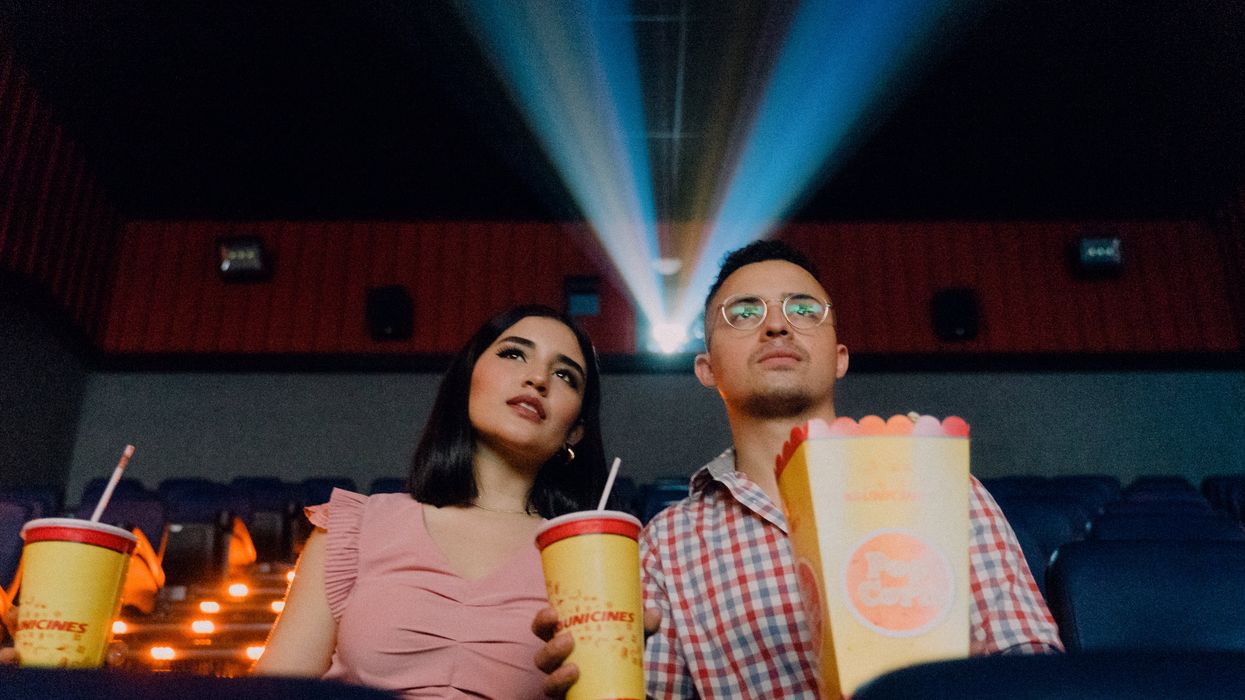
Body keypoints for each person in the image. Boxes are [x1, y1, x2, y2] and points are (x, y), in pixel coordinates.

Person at [535, 240, 1061, 698]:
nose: (777, 325)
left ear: (839, 357)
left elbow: (1030, 666)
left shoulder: (942, 486)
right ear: (706, 367)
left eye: (804, 309)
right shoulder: (666, 545)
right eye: (743, 313)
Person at [256, 304, 611, 699]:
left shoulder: (590, 558)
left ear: (575, 431)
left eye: (565, 375)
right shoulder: (356, 528)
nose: (538, 378)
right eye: (514, 354)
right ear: (467, 380)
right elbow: (275, 692)